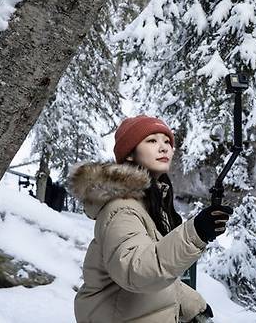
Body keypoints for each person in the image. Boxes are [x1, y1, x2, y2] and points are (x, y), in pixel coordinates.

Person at [70, 115, 232, 322]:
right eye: (152, 141)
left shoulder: (150, 205)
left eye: (167, 142)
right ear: (129, 154)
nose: (164, 148)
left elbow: (155, 268)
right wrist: (196, 233)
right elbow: (136, 270)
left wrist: (191, 304)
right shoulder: (122, 208)